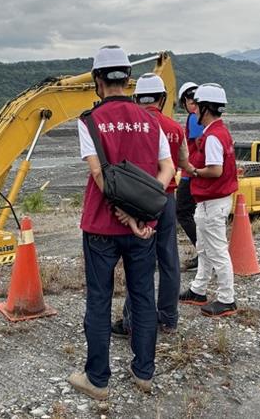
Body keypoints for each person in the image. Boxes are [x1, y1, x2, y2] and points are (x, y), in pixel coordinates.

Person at [68, 45, 175, 401]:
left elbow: (98, 175)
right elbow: (168, 170)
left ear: (98, 81)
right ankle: (143, 372)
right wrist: (141, 212)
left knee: (99, 299)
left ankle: (97, 379)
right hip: (143, 228)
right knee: (143, 295)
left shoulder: (89, 121)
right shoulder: (151, 120)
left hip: (101, 225)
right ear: (128, 80)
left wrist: (125, 213)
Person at [111, 73, 188, 338]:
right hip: (166, 199)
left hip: (137, 202)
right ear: (163, 98)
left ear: (135, 98)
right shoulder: (176, 129)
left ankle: (132, 322)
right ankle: (168, 319)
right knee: (169, 259)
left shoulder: (132, 128)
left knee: (139, 261)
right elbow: (181, 163)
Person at [178, 83, 239, 318]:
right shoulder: (218, 132)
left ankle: (227, 298)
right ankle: (198, 289)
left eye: (197, 106)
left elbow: (215, 170)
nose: (194, 111)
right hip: (210, 201)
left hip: (212, 201)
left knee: (217, 250)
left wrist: (193, 170)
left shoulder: (213, 136)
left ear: (205, 108)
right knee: (204, 248)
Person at [175, 82, 203, 271]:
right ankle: (203, 253)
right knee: (195, 215)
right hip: (195, 173)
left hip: (190, 174)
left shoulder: (193, 118)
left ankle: (203, 253)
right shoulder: (199, 117)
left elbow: (200, 144)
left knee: (183, 213)